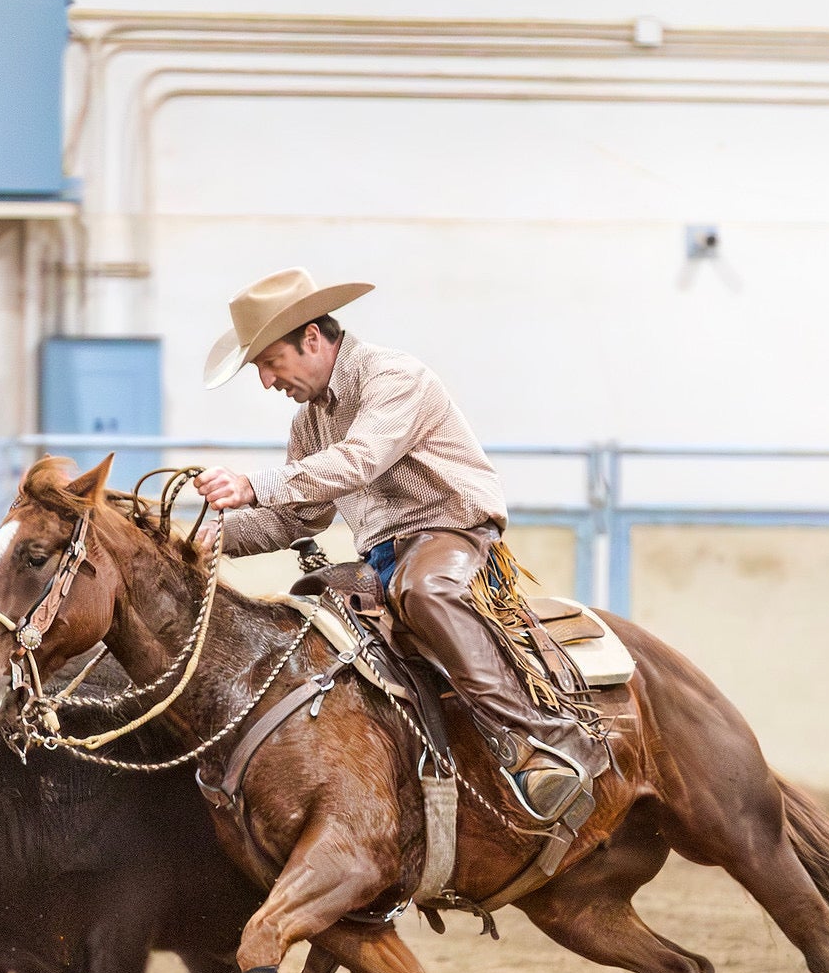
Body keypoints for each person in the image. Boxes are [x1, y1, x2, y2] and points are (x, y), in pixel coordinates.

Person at [192, 267, 599, 824]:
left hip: (451, 531)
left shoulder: (394, 376)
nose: (266, 381)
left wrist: (252, 485)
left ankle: (536, 743)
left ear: (311, 338)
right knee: (306, 610)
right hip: (381, 555)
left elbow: (359, 458)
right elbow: (296, 519)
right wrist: (209, 537)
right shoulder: (311, 420)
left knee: (426, 590)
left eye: (268, 363)